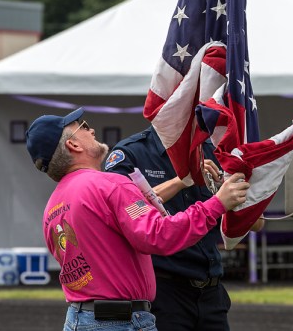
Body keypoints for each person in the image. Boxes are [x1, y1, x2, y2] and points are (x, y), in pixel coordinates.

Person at [25, 108, 250, 331]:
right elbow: (158, 235)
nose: (91, 130)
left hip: (79, 318)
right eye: (82, 127)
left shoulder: (52, 206)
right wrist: (217, 203)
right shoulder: (111, 185)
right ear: (73, 145)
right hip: (119, 321)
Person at [105, 126, 262, 330]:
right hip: (164, 292)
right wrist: (183, 180)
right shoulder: (132, 153)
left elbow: (258, 224)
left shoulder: (213, 150)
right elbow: (124, 211)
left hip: (210, 291)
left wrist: (238, 197)